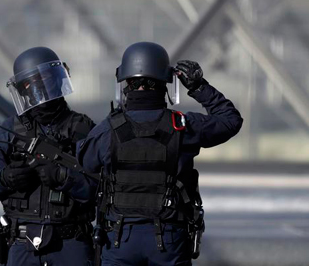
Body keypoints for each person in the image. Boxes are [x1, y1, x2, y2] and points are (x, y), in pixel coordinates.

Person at [78, 42, 243, 266]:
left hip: (119, 239)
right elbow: (230, 121)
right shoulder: (182, 125)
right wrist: (198, 86)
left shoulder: (108, 129)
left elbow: (86, 162)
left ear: (126, 83)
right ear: (165, 83)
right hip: (169, 238)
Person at [0, 47, 97, 266]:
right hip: (22, 243)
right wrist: (4, 178)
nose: (41, 92)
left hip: (70, 241)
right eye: (32, 86)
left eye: (46, 83)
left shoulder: (83, 129)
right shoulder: (10, 129)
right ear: (22, 91)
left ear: (58, 81)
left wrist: (64, 177)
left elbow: (101, 188)